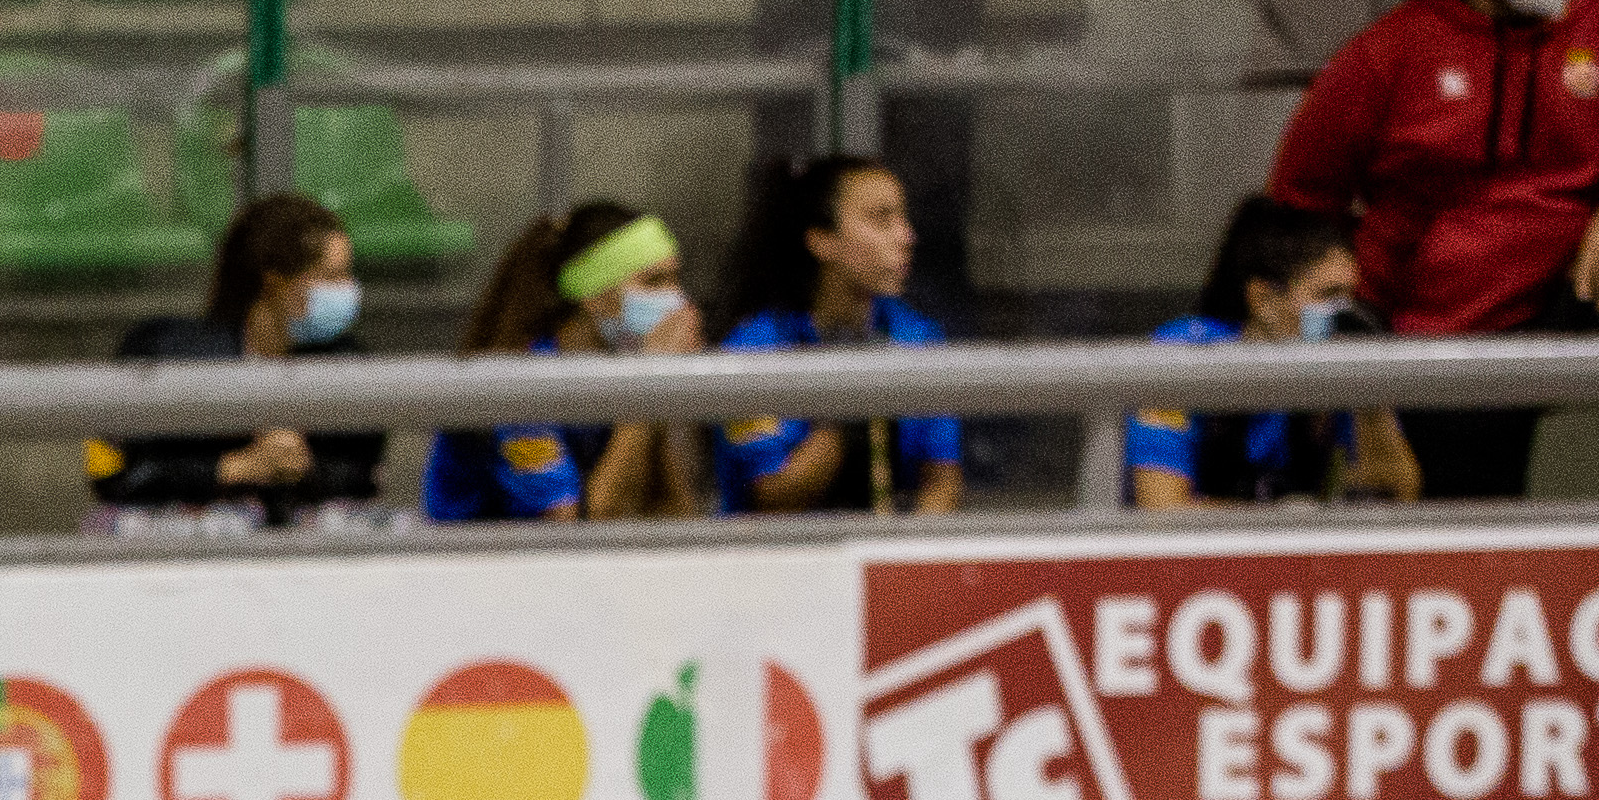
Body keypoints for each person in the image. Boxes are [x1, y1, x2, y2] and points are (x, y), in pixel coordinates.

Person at [1265, 0, 1599, 503]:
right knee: (1465, 544)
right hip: (1441, 331)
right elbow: (1299, 198)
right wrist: (1339, 300)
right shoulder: (1385, 55)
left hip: (1578, 292)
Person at [89, 190, 384, 524]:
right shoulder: (165, 355)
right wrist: (235, 466)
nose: (349, 289)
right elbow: (111, 473)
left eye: (348, 275)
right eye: (331, 277)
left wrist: (306, 468)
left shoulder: (347, 364)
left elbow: (364, 476)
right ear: (275, 284)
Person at [423, 200, 712, 524]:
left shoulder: (621, 371)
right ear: (595, 295)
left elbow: (675, 516)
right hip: (468, 568)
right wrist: (648, 393)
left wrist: (656, 392)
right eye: (654, 282)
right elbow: (572, 530)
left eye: (676, 279)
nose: (676, 299)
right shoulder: (523, 385)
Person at [711, 153, 967, 518]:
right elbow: (773, 498)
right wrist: (852, 408)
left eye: (902, 217)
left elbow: (942, 481)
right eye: (881, 219)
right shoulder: (753, 348)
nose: (907, 236)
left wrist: (901, 555)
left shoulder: (918, 337)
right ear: (822, 241)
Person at [1130, 194, 1425, 508]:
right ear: (1263, 300)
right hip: (1199, 556)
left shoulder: (1346, 362)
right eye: (1327, 294)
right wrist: (1283, 521)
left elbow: (1399, 499)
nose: (1344, 312)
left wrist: (1371, 401)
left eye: (1350, 296)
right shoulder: (1182, 354)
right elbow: (1163, 508)